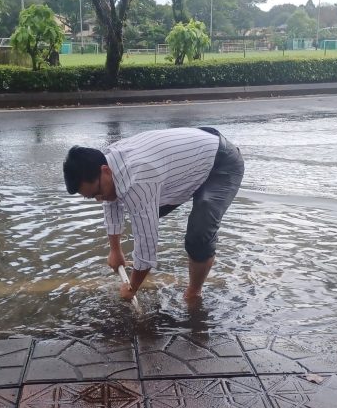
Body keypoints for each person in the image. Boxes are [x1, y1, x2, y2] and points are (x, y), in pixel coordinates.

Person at [63, 127, 244, 303]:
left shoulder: (138, 179)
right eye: (93, 197)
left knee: (198, 236)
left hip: (221, 163)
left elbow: (146, 247)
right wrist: (115, 250)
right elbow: (111, 201)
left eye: (98, 193)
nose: (99, 199)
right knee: (139, 211)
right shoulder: (109, 163)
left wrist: (132, 288)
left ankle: (194, 294)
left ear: (105, 170)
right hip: (189, 159)